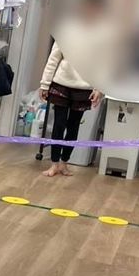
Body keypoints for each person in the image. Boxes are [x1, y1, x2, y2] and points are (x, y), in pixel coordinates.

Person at [39, 42, 101, 176]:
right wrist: (44, 84)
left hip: (84, 88)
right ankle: (54, 163)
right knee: (59, 124)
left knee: (73, 126)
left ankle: (64, 163)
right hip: (61, 85)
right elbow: (53, 59)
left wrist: (99, 89)